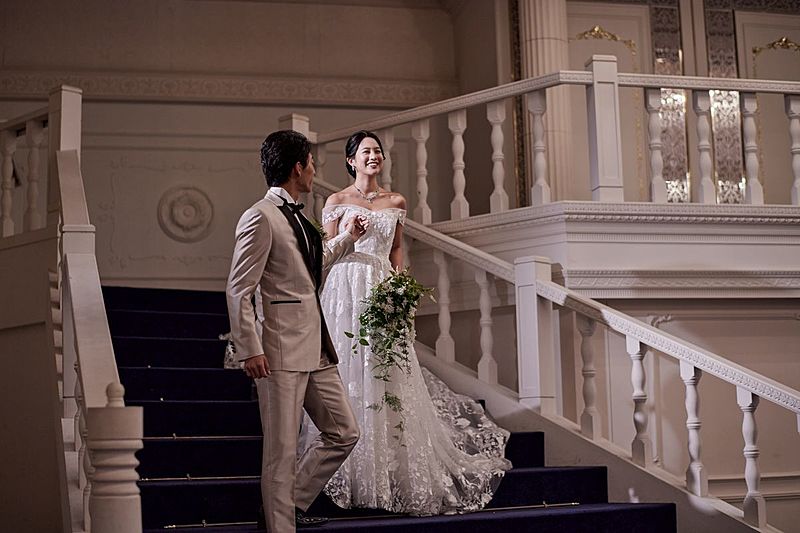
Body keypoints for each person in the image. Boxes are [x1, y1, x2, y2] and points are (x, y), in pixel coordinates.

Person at [301, 130, 511, 516]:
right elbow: (326, 254)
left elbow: (397, 248)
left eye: (378, 151)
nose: (374, 156)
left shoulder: (396, 201)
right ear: (351, 160)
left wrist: (400, 288)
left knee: (386, 375)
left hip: (382, 286)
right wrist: (346, 238)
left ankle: (388, 473)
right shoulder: (336, 201)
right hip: (345, 289)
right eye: (366, 151)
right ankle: (344, 470)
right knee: (349, 371)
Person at [226, 129, 369, 532]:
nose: (314, 170)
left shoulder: (300, 218)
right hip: (278, 352)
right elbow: (238, 288)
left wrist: (348, 238)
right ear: (297, 168)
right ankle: (279, 525)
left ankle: (286, 505)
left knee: (344, 432)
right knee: (282, 453)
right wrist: (250, 348)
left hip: (315, 348)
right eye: (311, 163)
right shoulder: (259, 216)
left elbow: (310, 268)